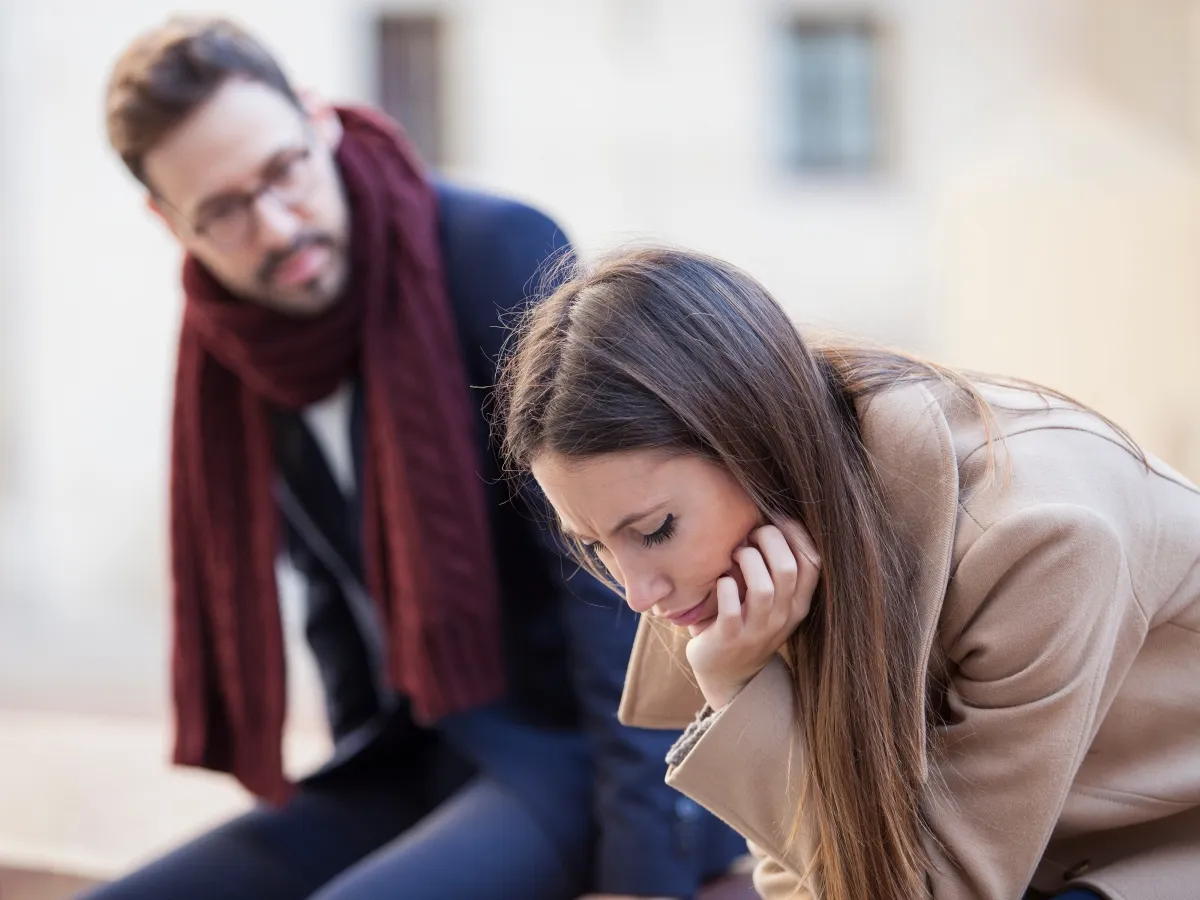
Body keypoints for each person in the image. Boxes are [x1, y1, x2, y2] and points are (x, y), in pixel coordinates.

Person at [92, 18, 745, 900]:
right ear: (167, 222)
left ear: (319, 119)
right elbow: (333, 597)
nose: (277, 226)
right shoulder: (239, 347)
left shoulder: (494, 251)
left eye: (282, 171)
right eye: (224, 211)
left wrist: (645, 870)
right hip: (425, 752)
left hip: (576, 754)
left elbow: (612, 581)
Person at [497, 245, 1200, 900]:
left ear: (752, 442)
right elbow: (809, 876)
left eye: (654, 531)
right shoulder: (772, 538)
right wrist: (747, 680)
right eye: (593, 547)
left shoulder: (1041, 537)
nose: (640, 594)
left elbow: (935, 890)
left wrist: (741, 689)